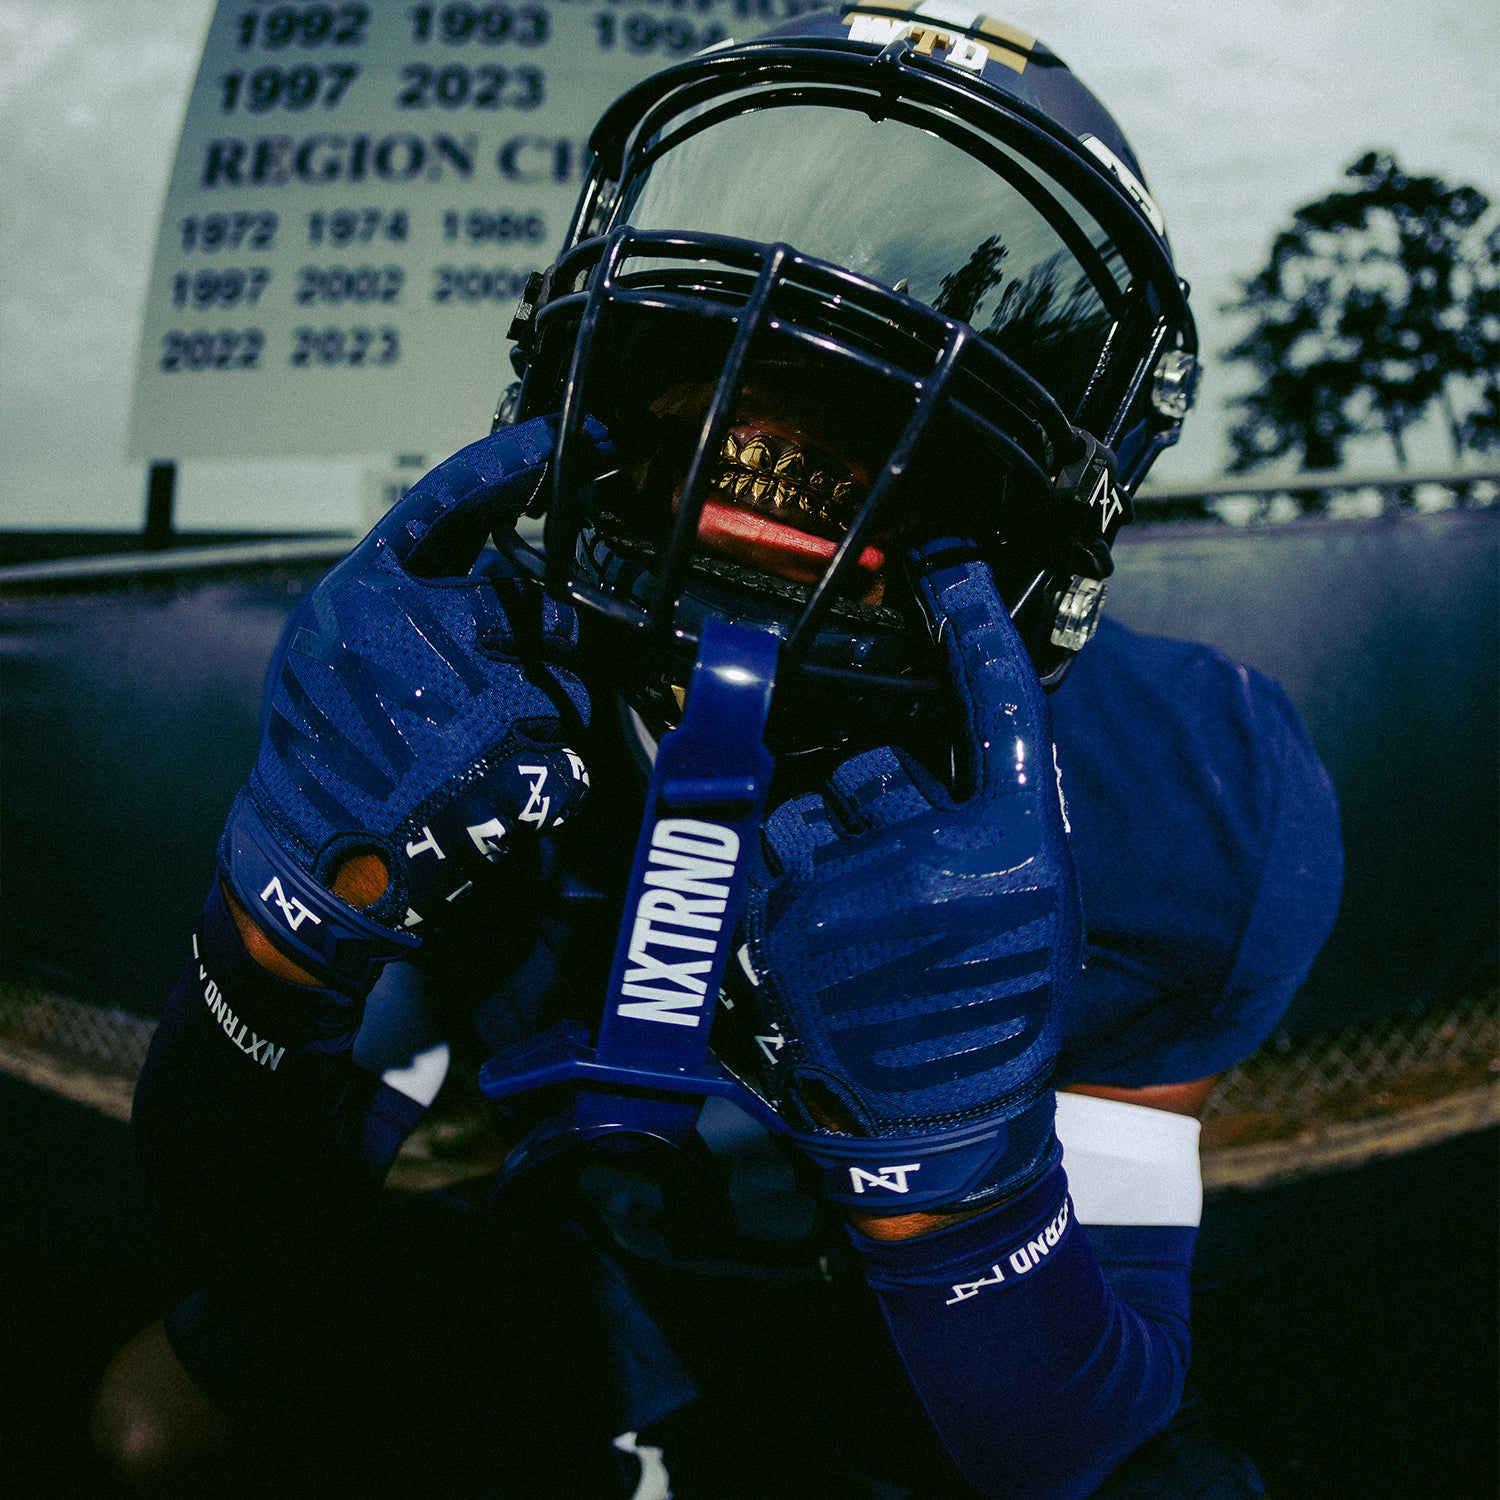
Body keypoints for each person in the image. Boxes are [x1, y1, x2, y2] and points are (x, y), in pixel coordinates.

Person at [93, 8, 1343, 1498]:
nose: (777, 430)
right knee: (149, 1424)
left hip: (888, 1314)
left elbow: (1072, 1430)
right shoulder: (464, 671)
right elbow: (238, 1226)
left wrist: (952, 1186)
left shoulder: (1187, 794)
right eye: (721, 349)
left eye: (877, 399)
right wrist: (279, 936)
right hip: (578, 1231)